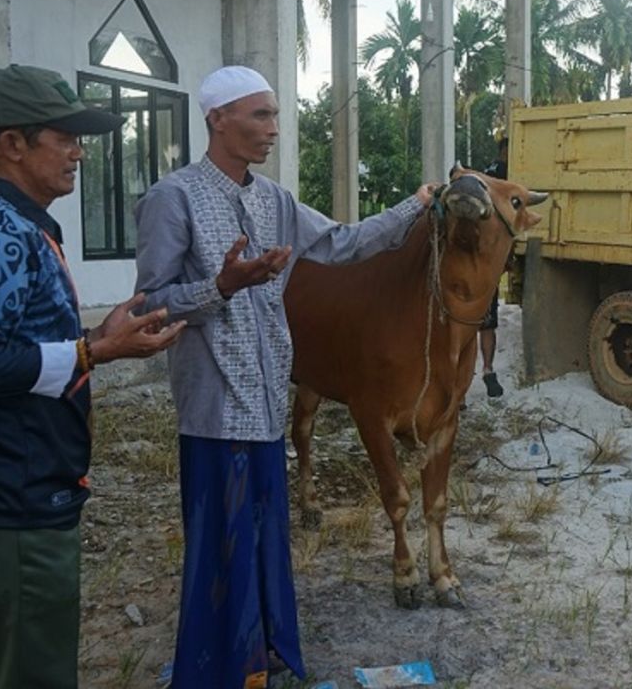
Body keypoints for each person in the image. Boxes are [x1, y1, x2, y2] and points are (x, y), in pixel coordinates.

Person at [134, 66, 435, 689]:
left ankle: (264, 658)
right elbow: (150, 306)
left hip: (269, 407)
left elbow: (345, 244)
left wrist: (415, 207)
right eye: (260, 116)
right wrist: (223, 285)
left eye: (275, 116)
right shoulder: (175, 197)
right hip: (215, 409)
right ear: (218, 119)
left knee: (267, 543)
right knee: (223, 548)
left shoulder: (274, 202)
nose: (274, 130)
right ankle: (218, 666)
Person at [0, 64, 185, 689]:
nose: (81, 151)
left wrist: (91, 343)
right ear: (13, 144)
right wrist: (93, 352)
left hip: (21, 493)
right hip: (9, 501)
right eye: (66, 135)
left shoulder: (16, 227)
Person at [477, 135, 510, 397]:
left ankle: (485, 373)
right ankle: (485, 372)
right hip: (481, 265)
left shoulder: (484, 178)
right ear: (505, 151)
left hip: (485, 265)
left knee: (484, 322)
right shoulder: (501, 176)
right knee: (480, 324)